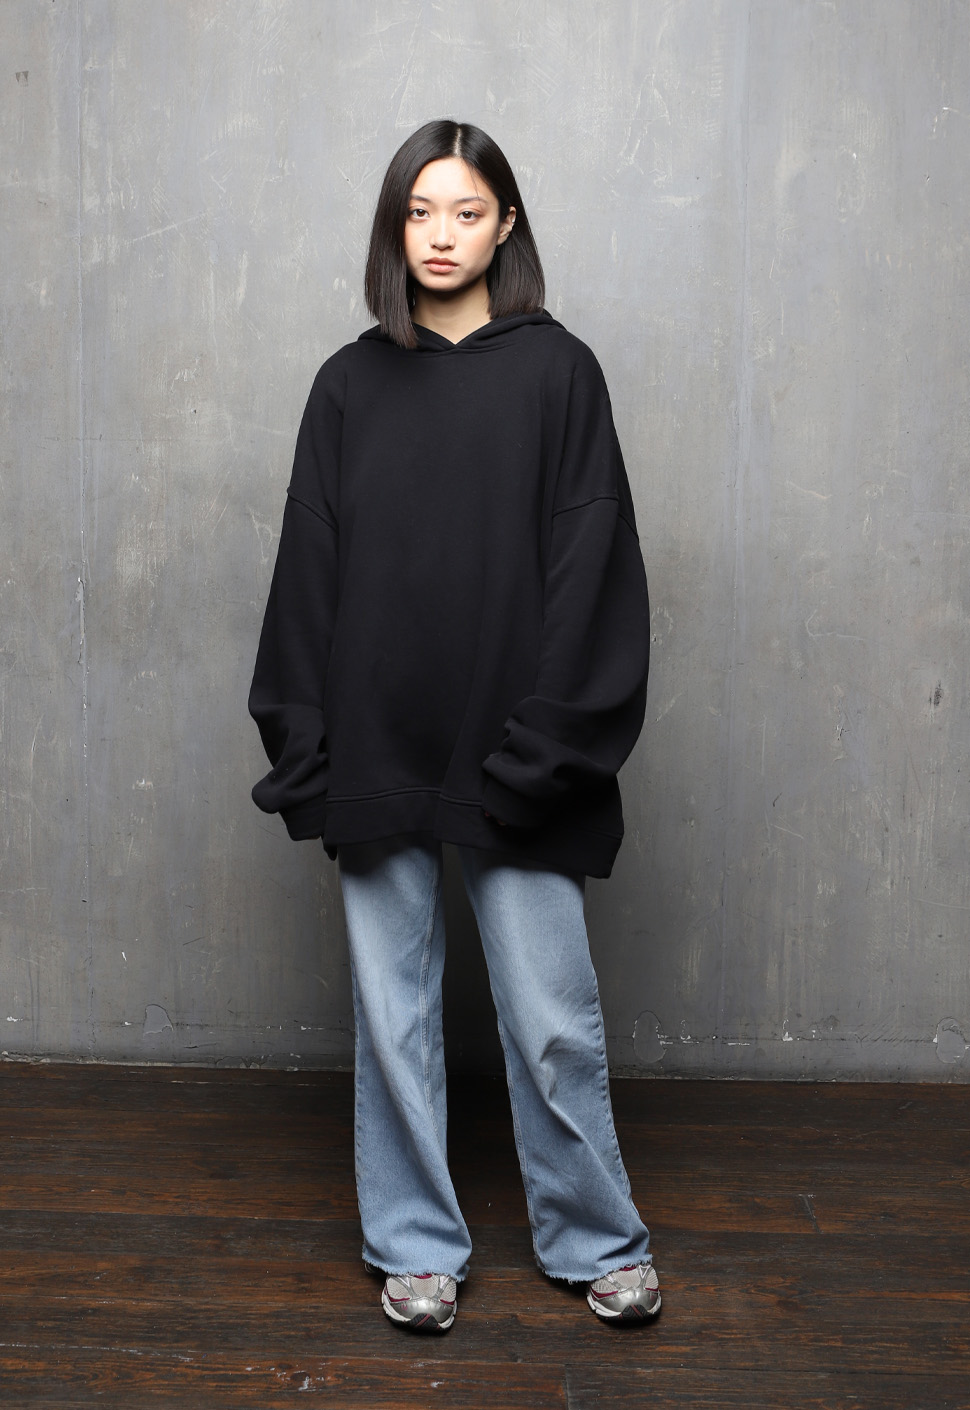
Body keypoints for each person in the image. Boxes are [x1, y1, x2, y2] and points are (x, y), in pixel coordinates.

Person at [249, 118, 660, 1332]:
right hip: (377, 740)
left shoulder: (559, 373)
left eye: (466, 212)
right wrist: (306, 738)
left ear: (505, 224)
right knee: (393, 1021)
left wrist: (549, 744)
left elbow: (593, 568)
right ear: (395, 227)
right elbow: (308, 572)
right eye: (419, 212)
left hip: (519, 746)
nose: (440, 235)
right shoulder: (348, 383)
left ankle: (595, 1239)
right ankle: (416, 1245)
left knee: (550, 1021)